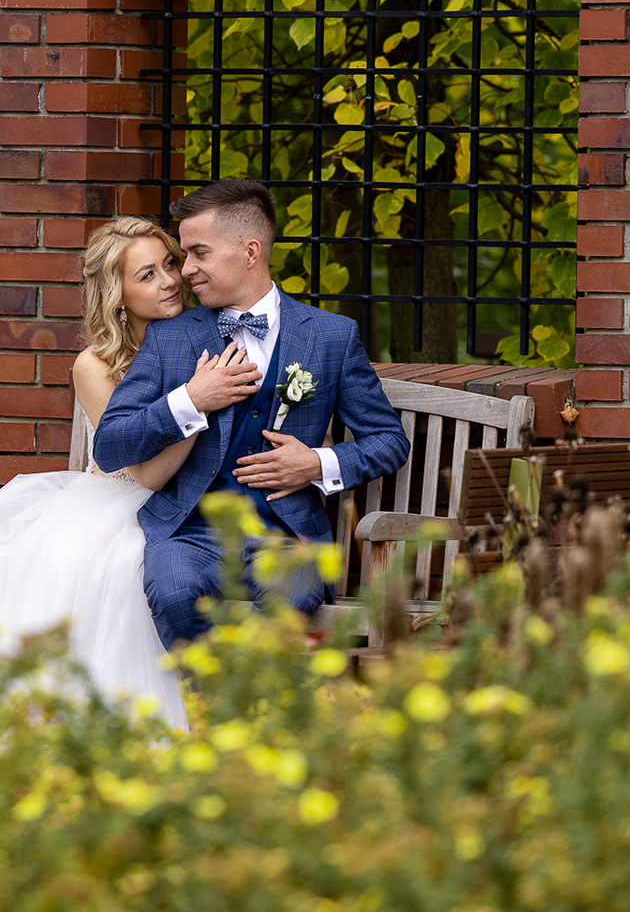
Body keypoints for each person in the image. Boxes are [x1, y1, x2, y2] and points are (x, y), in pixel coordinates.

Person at [0, 216, 222, 729]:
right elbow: (144, 474)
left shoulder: (206, 337)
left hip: (189, 504)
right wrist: (195, 404)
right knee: (98, 563)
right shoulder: (96, 365)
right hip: (121, 500)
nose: (169, 281)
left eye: (170, 264)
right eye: (147, 275)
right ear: (117, 295)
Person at [94, 180, 412, 649]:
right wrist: (190, 400)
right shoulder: (171, 337)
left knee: (284, 610)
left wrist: (316, 463)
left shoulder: (331, 336)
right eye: (186, 255)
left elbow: (388, 440)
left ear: (249, 251)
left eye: (199, 253)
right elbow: (109, 444)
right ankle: (212, 696)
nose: (186, 270)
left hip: (288, 538)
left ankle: (248, 695)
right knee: (174, 594)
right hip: (190, 535)